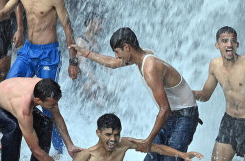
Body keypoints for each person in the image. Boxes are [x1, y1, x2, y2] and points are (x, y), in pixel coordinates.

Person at [0, 0, 80, 155]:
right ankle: (11, 135)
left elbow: (68, 28)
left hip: (48, 53)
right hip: (28, 50)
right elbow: (6, 11)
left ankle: (59, 148)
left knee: (48, 101)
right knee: (7, 89)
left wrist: (73, 61)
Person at [71, 27, 200, 160]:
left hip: (184, 116)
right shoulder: (142, 55)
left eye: (117, 52)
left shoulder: (150, 68)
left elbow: (164, 108)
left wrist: (148, 141)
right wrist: (86, 53)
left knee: (171, 159)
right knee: (151, 159)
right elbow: (112, 63)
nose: (116, 56)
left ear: (127, 47)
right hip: (171, 115)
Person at [0, 77, 81, 161]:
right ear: (38, 100)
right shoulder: (24, 109)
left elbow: (57, 117)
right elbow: (35, 150)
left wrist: (70, 145)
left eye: (56, 103)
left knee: (45, 123)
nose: (55, 106)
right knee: (14, 128)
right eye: (52, 105)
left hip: (9, 101)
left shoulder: (46, 89)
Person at [193, 26, 245, 160]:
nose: (229, 44)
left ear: (237, 44)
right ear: (217, 45)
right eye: (225, 41)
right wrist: (183, 93)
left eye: (233, 41)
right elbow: (205, 95)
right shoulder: (214, 65)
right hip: (229, 122)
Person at [73, 113, 203, 161]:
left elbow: (155, 148)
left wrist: (182, 155)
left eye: (116, 134)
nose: (113, 139)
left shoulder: (123, 144)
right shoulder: (86, 155)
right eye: (108, 135)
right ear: (98, 133)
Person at [75, 12, 106, 103]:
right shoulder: (81, 42)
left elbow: (102, 64)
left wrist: (117, 76)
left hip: (92, 79)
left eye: (101, 24)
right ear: (88, 23)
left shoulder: (96, 43)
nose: (101, 27)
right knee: (95, 88)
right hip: (82, 83)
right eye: (98, 24)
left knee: (117, 86)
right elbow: (84, 68)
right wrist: (97, 82)